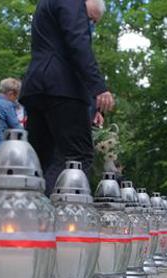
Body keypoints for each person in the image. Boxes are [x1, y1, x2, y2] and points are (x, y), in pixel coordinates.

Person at [20, 0, 115, 195]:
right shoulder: (72, 3)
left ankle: (30, 212)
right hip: (62, 88)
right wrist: (99, 87)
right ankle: (62, 215)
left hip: (36, 87)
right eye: (90, 19)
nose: (90, 25)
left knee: (39, 159)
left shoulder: (45, 5)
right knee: (77, 156)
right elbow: (77, 43)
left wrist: (92, 107)